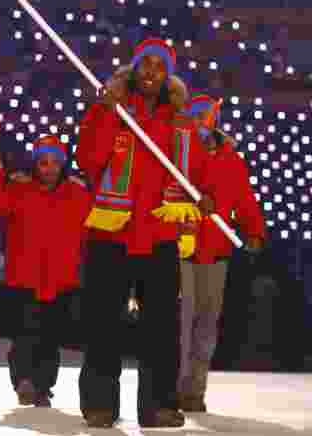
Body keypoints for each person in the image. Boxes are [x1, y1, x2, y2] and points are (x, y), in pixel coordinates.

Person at [76, 38, 214, 429]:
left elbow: (199, 173)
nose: (151, 71)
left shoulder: (180, 120)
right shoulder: (111, 109)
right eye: (145, 64)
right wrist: (106, 112)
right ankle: (100, 404)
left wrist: (207, 197)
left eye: (159, 65)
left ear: (168, 74)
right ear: (133, 69)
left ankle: (158, 406)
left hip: (159, 236)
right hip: (112, 233)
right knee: (103, 325)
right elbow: (88, 160)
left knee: (161, 331)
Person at [0, 135, 92, 408]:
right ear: (35, 164)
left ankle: (42, 386)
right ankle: (24, 381)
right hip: (24, 277)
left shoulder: (77, 192)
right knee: (25, 333)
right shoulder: (19, 187)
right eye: (43, 162)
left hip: (61, 278)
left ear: (63, 165)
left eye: (54, 163)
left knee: (51, 337)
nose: (49, 168)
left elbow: (92, 228)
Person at [176, 94, 266, 413]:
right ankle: (174, 388)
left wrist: (254, 230)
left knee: (207, 325)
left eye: (208, 113)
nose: (202, 119)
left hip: (216, 250)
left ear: (216, 117)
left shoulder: (231, 158)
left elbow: (244, 198)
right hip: (182, 246)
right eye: (195, 114)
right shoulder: (177, 152)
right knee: (180, 324)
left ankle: (195, 391)